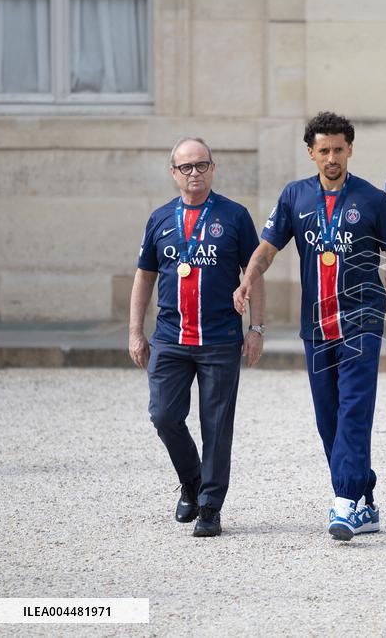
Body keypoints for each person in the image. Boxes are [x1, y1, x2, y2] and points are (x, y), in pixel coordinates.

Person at [234, 112, 386, 540]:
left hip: (362, 320)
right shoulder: (294, 196)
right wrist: (248, 279)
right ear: (311, 153)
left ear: (350, 150)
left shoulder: (372, 199)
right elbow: (266, 250)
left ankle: (343, 502)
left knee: (354, 409)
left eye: (339, 149)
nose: (332, 157)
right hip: (316, 325)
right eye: (324, 150)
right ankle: (365, 501)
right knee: (328, 418)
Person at [129, 137, 263, 538]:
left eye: (201, 165)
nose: (194, 173)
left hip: (220, 338)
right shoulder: (159, 219)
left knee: (217, 424)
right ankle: (191, 479)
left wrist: (255, 328)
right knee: (164, 415)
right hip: (170, 338)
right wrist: (136, 332)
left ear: (213, 168)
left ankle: (209, 505)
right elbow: (144, 277)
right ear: (173, 173)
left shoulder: (235, 216)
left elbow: (254, 274)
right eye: (186, 167)